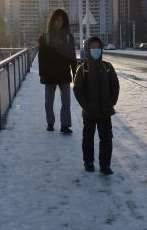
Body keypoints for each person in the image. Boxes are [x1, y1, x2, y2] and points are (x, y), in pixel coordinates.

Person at [73, 36, 120, 175]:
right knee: (88, 138)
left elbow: (115, 85)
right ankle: (88, 162)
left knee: (106, 139)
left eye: (97, 47)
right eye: (92, 47)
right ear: (88, 49)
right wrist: (86, 105)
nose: (95, 50)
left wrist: (112, 102)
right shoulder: (83, 68)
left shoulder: (107, 67)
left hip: (105, 111)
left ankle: (105, 165)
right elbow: (77, 89)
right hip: (89, 112)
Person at [38, 9, 77, 134]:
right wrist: (42, 74)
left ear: (64, 21)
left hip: (64, 74)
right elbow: (41, 57)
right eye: (57, 19)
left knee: (66, 101)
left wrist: (75, 72)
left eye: (61, 19)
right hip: (49, 74)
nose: (59, 22)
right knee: (48, 102)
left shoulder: (68, 36)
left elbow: (72, 56)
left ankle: (65, 125)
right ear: (53, 20)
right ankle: (50, 123)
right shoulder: (45, 37)